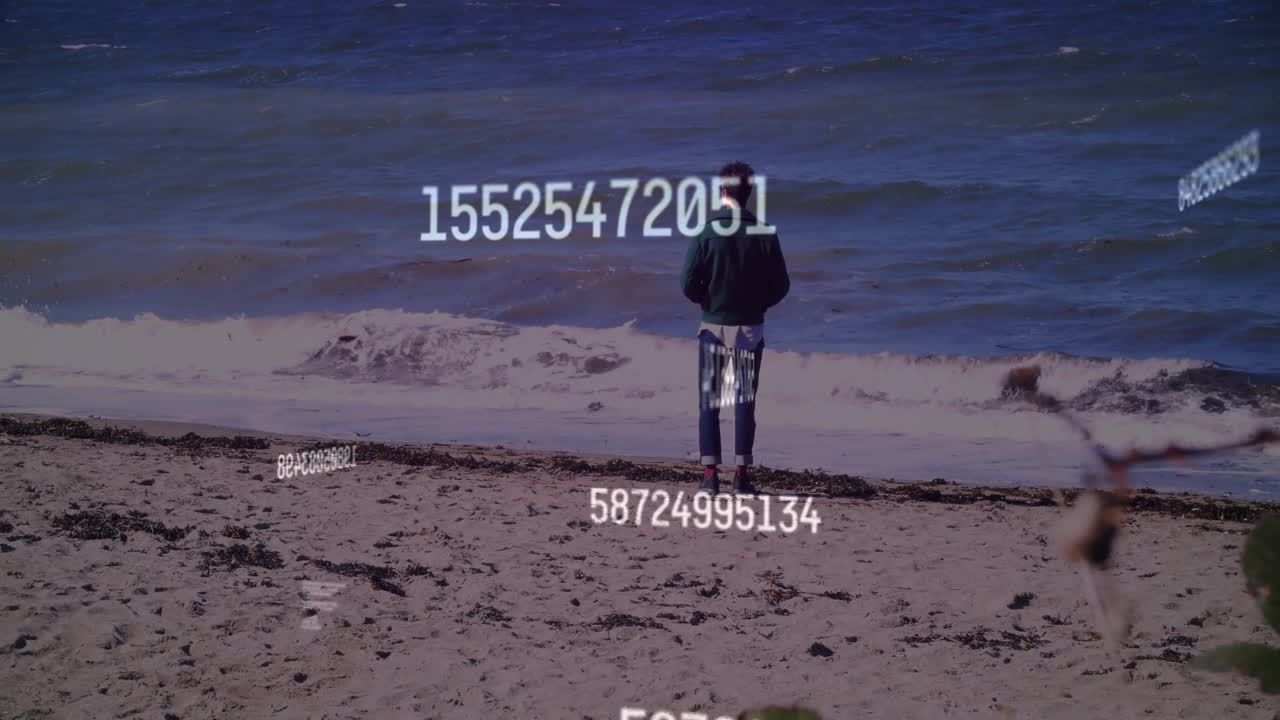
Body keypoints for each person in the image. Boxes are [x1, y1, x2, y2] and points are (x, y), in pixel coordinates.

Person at [679, 161, 790, 495]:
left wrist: (707, 299)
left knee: (710, 402)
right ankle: (742, 475)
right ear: (749, 193)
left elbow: (687, 283)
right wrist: (759, 305)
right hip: (749, 329)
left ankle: (710, 476)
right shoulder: (764, 232)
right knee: (744, 402)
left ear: (722, 192)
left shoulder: (706, 232)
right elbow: (781, 285)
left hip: (714, 324)